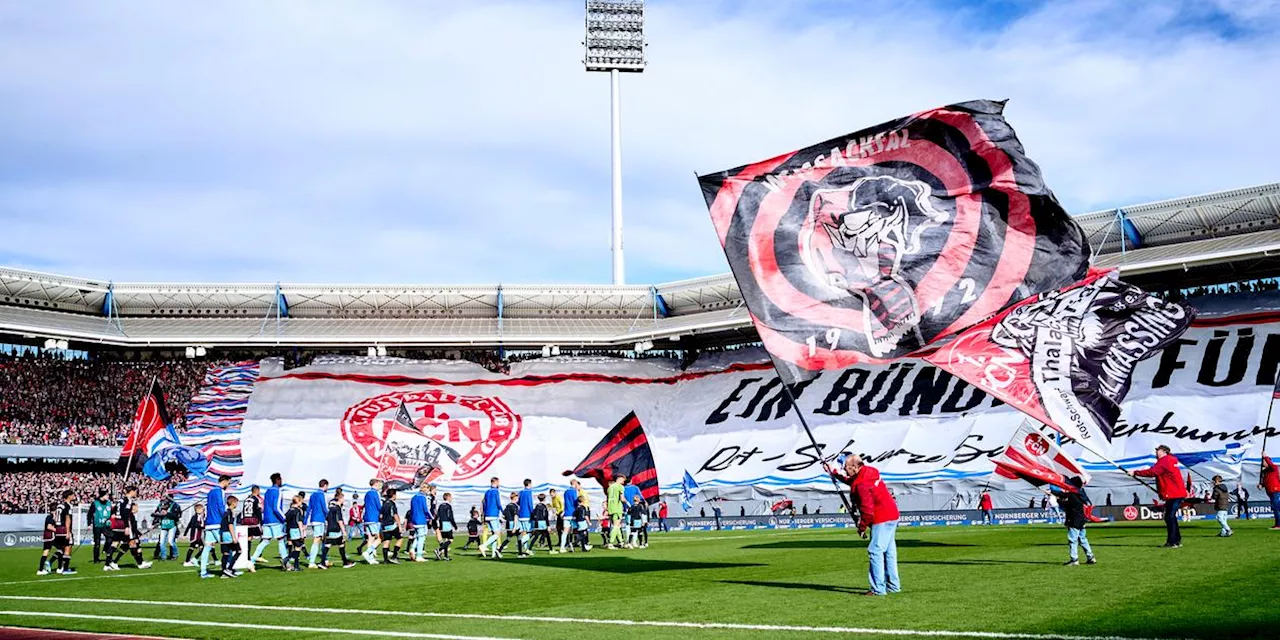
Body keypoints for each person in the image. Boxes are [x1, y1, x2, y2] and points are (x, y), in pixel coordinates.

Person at [828, 454, 900, 596]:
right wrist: (834, 473)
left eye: (846, 469)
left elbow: (867, 511)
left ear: (854, 467)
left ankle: (878, 589)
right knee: (889, 552)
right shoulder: (870, 471)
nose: (845, 471)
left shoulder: (861, 484)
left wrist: (861, 527)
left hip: (881, 518)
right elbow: (852, 481)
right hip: (892, 515)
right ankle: (893, 586)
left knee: (875, 551)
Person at [1129, 445, 1188, 548]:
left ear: (1164, 452)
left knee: (1169, 517)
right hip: (1176, 493)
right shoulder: (1171, 460)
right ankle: (1176, 540)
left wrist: (1135, 473)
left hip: (1173, 493)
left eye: (1158, 450)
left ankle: (1173, 542)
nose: (1156, 452)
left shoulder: (1165, 460)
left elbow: (1153, 472)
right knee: (1171, 516)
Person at [1049, 479, 1096, 566]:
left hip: (1074, 520)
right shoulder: (1080, 494)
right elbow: (1062, 495)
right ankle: (1091, 557)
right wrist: (1053, 493)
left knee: (1073, 540)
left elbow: (1065, 504)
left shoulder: (1072, 496)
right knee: (1083, 539)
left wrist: (1057, 498)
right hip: (1081, 520)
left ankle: (1074, 559)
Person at [107, 485, 152, 572]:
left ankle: (139, 562)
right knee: (132, 543)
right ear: (131, 491)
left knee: (127, 544)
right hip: (126, 525)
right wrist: (127, 526)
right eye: (135, 491)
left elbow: (114, 510)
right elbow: (125, 513)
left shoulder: (121, 500)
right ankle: (139, 563)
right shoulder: (128, 500)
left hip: (121, 524)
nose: (136, 493)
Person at [252, 473, 288, 566]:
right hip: (275, 520)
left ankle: (252, 561)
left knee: (265, 541)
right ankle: (285, 561)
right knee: (280, 539)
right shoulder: (278, 491)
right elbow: (276, 507)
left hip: (267, 520)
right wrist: (284, 518)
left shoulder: (267, 491)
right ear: (278, 480)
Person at [199, 475, 231, 578]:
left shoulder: (210, 492)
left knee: (207, 548)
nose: (228, 485)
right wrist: (227, 518)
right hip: (217, 523)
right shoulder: (220, 491)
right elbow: (221, 507)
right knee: (228, 546)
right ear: (225, 481)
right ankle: (229, 569)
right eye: (228, 483)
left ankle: (203, 572)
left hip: (209, 523)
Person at [320, 488, 356, 569]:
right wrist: (344, 531)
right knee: (341, 545)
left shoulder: (330, 508)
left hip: (329, 528)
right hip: (336, 529)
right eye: (343, 499)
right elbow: (339, 520)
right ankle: (345, 562)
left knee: (328, 545)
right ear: (340, 499)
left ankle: (322, 562)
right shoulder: (337, 508)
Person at [238, 485, 263, 570]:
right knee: (264, 536)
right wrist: (260, 521)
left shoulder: (246, 499)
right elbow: (258, 510)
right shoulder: (256, 499)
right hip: (253, 521)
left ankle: (247, 558)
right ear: (257, 491)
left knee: (248, 539)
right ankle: (256, 557)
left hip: (245, 520)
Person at [306, 479, 330, 568]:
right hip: (320, 519)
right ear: (325, 485)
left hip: (313, 519)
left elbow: (309, 508)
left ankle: (325, 559)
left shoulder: (313, 495)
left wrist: (305, 521)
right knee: (317, 540)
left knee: (323, 539)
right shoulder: (322, 494)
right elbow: (324, 508)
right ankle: (311, 562)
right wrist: (329, 517)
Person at [151, 493, 182, 560]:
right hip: (163, 525)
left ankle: (173, 555)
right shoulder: (160, 505)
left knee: (171, 541)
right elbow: (155, 513)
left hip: (172, 525)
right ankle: (161, 556)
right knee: (161, 542)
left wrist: (167, 514)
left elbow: (177, 516)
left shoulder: (175, 506)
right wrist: (156, 519)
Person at [361, 479, 383, 564]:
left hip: (367, 518)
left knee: (370, 538)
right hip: (374, 518)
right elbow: (378, 505)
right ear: (375, 484)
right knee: (379, 538)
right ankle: (367, 552)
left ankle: (370, 558)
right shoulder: (375, 493)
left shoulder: (367, 493)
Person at [408, 484, 432, 562]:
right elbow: (426, 509)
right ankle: (419, 555)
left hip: (414, 519)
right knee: (422, 537)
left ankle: (412, 548)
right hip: (421, 519)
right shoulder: (423, 497)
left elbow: (411, 509)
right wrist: (431, 517)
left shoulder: (414, 497)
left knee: (418, 536)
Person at [481, 477, 503, 559]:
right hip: (494, 514)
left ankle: (493, 553)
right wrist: (503, 511)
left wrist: (484, 515)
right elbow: (498, 503)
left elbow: (484, 504)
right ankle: (484, 546)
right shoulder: (496, 491)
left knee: (494, 533)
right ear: (496, 482)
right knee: (497, 534)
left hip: (487, 514)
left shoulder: (487, 492)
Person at [379, 486, 403, 564]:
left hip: (384, 526)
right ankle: (394, 556)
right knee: (400, 538)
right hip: (391, 525)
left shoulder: (384, 504)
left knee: (386, 541)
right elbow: (395, 515)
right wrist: (399, 526)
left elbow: (381, 516)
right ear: (393, 495)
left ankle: (385, 560)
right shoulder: (392, 504)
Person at [89, 489, 112, 564]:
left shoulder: (109, 503)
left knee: (109, 540)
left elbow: (112, 513)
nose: (108, 496)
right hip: (97, 525)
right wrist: (89, 524)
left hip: (107, 525)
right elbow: (89, 514)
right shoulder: (95, 503)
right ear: (103, 495)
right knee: (97, 543)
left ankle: (107, 553)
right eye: (106, 495)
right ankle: (96, 559)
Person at [219, 495, 241, 578]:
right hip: (228, 535)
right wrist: (234, 537)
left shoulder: (225, 512)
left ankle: (224, 572)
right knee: (239, 551)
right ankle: (229, 569)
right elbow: (230, 525)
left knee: (226, 553)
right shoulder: (230, 513)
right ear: (233, 503)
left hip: (223, 534)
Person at [182, 503, 210, 567]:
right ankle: (188, 561)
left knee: (202, 548)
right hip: (195, 536)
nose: (203, 510)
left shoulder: (201, 516)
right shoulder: (195, 517)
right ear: (197, 510)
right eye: (201, 509)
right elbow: (193, 525)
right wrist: (185, 533)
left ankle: (198, 560)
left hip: (198, 536)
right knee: (193, 548)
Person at [284, 492, 306, 571]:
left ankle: (295, 565)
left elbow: (285, 519)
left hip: (289, 530)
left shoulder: (289, 510)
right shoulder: (298, 511)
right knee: (298, 547)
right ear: (299, 502)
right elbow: (299, 522)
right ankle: (288, 560)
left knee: (296, 547)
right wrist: (302, 533)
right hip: (295, 530)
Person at [558, 479, 581, 554]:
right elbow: (575, 502)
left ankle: (562, 547)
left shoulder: (566, 491)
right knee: (579, 529)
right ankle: (582, 544)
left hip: (567, 514)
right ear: (575, 483)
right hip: (573, 513)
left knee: (565, 531)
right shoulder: (574, 491)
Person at [502, 491, 525, 557]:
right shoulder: (515, 506)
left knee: (509, 538)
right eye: (518, 498)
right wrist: (515, 527)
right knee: (519, 537)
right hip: (514, 524)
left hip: (508, 524)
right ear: (515, 498)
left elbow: (503, 516)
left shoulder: (508, 505)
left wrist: (508, 519)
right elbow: (515, 516)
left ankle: (499, 549)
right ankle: (520, 554)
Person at [606, 474, 626, 549]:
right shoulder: (620, 487)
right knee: (616, 525)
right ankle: (610, 543)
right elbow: (622, 498)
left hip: (610, 508)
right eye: (623, 480)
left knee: (617, 526)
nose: (623, 482)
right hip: (617, 508)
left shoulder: (610, 487)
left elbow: (608, 498)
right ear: (620, 479)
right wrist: (628, 503)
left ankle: (621, 542)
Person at [436, 492, 457, 561]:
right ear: (448, 497)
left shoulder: (441, 505)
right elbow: (450, 516)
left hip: (441, 523)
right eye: (450, 497)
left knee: (445, 540)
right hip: (447, 523)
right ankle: (439, 549)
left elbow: (437, 515)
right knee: (450, 539)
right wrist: (454, 525)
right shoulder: (448, 506)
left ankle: (445, 556)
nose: (451, 499)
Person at [1261, 455, 1280, 529]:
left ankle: (1278, 525)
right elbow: (1267, 481)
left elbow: (1271, 465)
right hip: (1270, 491)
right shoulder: (1266, 472)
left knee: (1276, 508)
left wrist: (1265, 456)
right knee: (1276, 507)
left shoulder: (1274, 468)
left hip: (1275, 490)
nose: (1263, 463)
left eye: (1264, 461)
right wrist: (1262, 485)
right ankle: (1277, 524)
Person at [518, 479, 535, 556]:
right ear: (529, 484)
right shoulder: (529, 492)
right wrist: (533, 513)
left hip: (521, 514)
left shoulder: (521, 492)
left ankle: (526, 549)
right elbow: (530, 504)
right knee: (531, 532)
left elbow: (518, 502)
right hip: (527, 515)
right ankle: (519, 543)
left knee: (524, 532)